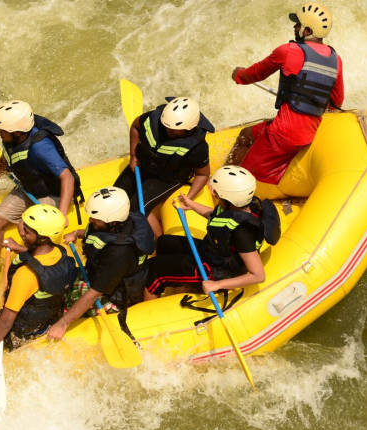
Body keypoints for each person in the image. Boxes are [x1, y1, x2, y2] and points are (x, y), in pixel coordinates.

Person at [228, 3, 344, 184]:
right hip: (306, 132)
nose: (294, 27)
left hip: (283, 134)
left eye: (298, 24)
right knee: (246, 135)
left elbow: (257, 73)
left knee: (242, 179)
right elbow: (337, 102)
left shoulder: (288, 51)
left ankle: (228, 191)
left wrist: (239, 75)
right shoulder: (336, 60)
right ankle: (225, 171)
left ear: (306, 31)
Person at [143, 165, 281, 301]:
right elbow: (216, 217)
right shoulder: (243, 205)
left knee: (155, 270)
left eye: (214, 191)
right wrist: (190, 204)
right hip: (213, 252)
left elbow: (258, 275)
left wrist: (217, 285)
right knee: (165, 242)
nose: (212, 192)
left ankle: (155, 290)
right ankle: (174, 279)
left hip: (218, 271)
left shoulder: (242, 232)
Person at [0, 204, 77, 352]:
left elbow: (5, 322)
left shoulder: (26, 274)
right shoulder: (61, 253)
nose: (22, 233)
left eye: (27, 231)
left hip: (18, 334)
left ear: (43, 238)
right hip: (46, 322)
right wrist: (20, 248)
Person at [47, 187, 154, 340]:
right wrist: (77, 233)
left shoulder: (119, 253)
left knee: (66, 308)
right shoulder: (119, 222)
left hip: (115, 296)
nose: (90, 220)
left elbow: (94, 294)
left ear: (113, 222)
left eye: (95, 219)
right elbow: (99, 233)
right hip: (99, 275)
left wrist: (63, 323)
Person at [0, 100, 84, 259]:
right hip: (30, 188)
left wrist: (62, 214)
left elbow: (67, 177)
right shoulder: (12, 139)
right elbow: (6, 157)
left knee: (29, 228)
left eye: (2, 130)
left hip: (53, 193)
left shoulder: (40, 147)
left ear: (17, 131)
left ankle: (28, 263)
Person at [113, 96, 215, 239]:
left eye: (174, 130)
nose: (168, 130)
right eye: (166, 125)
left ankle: (159, 239)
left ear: (188, 129)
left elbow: (203, 174)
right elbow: (135, 127)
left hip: (168, 177)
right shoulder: (153, 119)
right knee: (115, 195)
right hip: (144, 163)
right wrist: (133, 156)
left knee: (137, 207)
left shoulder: (197, 147)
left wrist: (188, 199)